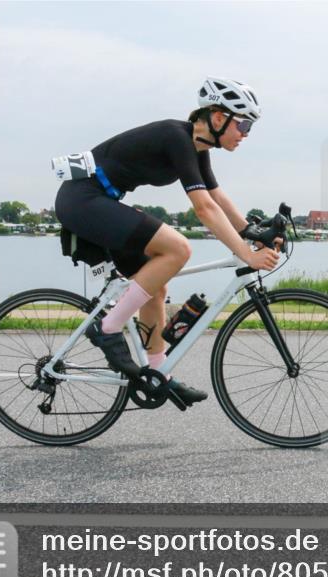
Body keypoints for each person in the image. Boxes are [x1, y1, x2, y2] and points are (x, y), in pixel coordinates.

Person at [54, 77, 280, 405]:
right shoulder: (177, 138)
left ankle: (158, 375)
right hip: (82, 199)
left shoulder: (198, 146)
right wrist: (245, 254)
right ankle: (108, 327)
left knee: (156, 286)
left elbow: (216, 196)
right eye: (243, 124)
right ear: (218, 118)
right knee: (178, 248)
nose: (245, 134)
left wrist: (252, 232)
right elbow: (203, 209)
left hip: (100, 200)